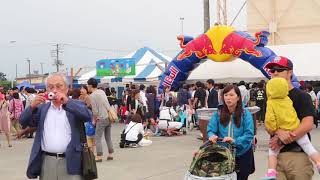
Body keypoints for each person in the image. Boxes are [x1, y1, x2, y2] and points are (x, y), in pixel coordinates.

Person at [19, 73, 92, 179]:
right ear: (46, 90)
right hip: (47, 161)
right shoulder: (42, 109)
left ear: (67, 89)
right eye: (50, 87)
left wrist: (67, 102)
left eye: (59, 86)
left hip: (71, 161)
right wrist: (32, 106)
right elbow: (23, 121)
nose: (54, 90)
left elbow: (87, 115)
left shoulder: (75, 105)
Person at [266, 56, 315, 180]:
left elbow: (308, 124)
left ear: (290, 72)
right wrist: (277, 131)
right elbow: (269, 124)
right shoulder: (271, 97)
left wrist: (282, 140)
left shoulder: (302, 96)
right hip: (275, 157)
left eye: (280, 69)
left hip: (298, 155)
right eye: (272, 70)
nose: (275, 72)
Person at [207, 85, 255, 180]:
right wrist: (212, 135)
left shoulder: (245, 113)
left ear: (238, 97)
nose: (228, 98)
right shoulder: (218, 113)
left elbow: (249, 134)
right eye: (226, 95)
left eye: (231, 95)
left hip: (243, 153)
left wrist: (235, 141)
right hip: (223, 153)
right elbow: (211, 129)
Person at [87, 78, 114, 162]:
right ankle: (110, 154)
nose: (87, 87)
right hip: (108, 116)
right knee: (108, 137)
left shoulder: (92, 95)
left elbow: (95, 111)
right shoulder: (102, 92)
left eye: (88, 85)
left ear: (91, 86)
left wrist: (94, 120)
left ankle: (99, 156)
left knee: (97, 137)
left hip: (101, 118)